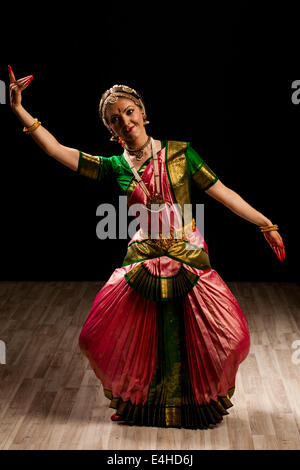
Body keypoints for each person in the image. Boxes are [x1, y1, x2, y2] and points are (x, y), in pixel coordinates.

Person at [8, 66, 285, 429]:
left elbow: (223, 193)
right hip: (144, 257)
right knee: (100, 337)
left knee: (227, 337)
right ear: (110, 131)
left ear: (142, 112)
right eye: (114, 119)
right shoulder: (115, 166)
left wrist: (265, 223)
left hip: (187, 254)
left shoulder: (181, 155)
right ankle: (147, 406)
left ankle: (194, 404)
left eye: (128, 111)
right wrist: (18, 109)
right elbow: (58, 151)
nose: (124, 121)